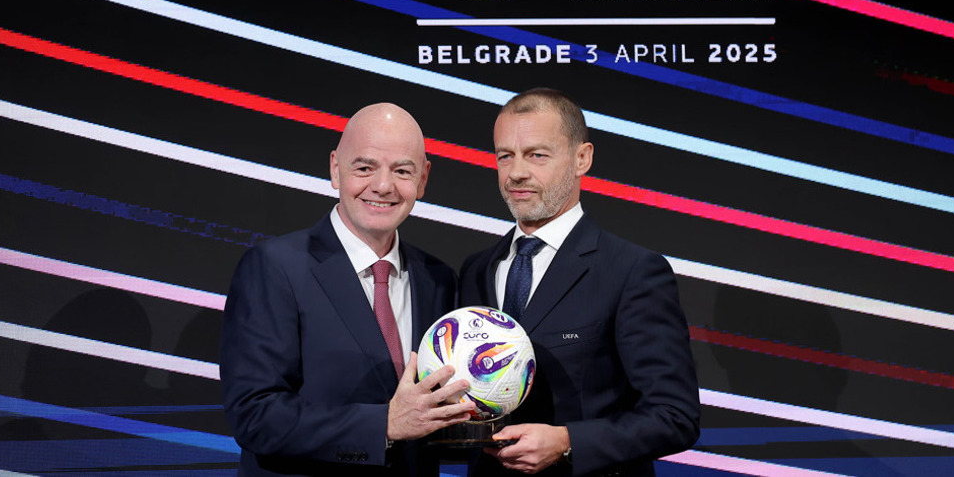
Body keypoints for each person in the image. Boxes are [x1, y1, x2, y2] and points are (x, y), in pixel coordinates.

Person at [221, 103, 472, 476]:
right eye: (365, 167)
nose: (383, 186)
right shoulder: (274, 267)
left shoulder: (438, 278)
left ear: (423, 179)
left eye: (402, 170)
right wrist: (383, 425)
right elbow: (255, 416)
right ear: (335, 168)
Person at [459, 88, 700, 476]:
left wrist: (568, 441)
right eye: (506, 155)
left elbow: (675, 417)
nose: (517, 172)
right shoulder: (476, 270)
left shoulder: (633, 271)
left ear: (581, 158)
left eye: (537, 155)